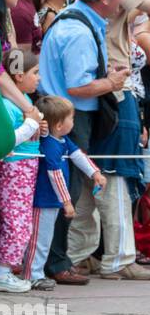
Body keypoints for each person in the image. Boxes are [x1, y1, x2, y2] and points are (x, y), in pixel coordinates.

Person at [39, 0, 143, 281]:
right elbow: (77, 86)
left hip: (72, 112)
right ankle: (56, 263)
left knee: (71, 187)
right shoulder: (78, 31)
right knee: (65, 189)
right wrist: (112, 83)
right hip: (71, 114)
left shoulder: (85, 21)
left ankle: (62, 258)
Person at [23, 95, 106, 290]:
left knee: (45, 238)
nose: (74, 122)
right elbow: (55, 174)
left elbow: (78, 155)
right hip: (43, 200)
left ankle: (36, 272)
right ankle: (31, 274)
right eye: (72, 118)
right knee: (39, 239)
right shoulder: (50, 145)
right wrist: (67, 201)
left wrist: (95, 173)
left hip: (52, 201)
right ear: (59, 125)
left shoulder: (62, 140)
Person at [0, 51, 42, 295]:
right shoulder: (10, 105)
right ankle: (1, 272)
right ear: (18, 76)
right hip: (13, 169)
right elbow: (6, 140)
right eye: (35, 73)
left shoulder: (25, 102)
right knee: (18, 223)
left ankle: (0, 268)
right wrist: (31, 125)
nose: (39, 78)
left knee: (13, 220)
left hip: (23, 169)